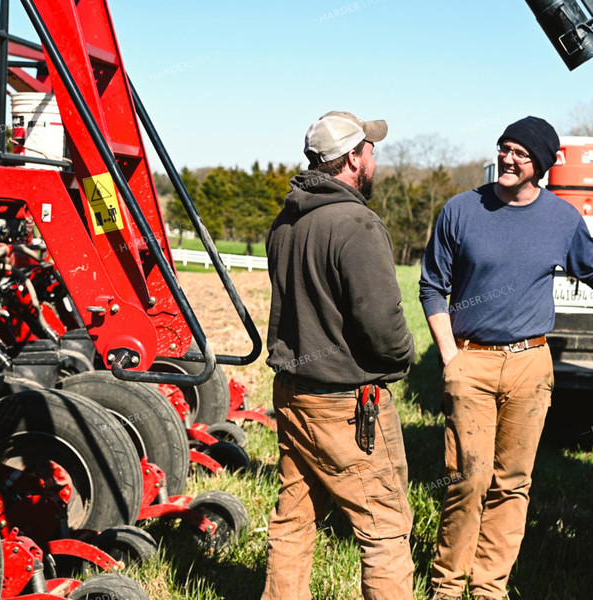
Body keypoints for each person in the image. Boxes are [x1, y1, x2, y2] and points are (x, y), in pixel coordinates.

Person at [419, 116, 593, 600]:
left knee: (512, 483)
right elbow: (432, 287)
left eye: (520, 153)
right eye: (504, 148)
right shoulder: (461, 210)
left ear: (540, 165)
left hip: (530, 365)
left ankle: (488, 588)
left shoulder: (561, 220)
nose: (507, 158)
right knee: (468, 478)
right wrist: (449, 358)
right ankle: (445, 586)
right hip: (471, 362)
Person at [261, 111, 416, 600]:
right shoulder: (356, 224)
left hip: (292, 394)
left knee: (294, 518)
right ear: (353, 159)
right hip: (348, 405)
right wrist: (402, 359)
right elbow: (382, 325)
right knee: (385, 530)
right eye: (371, 150)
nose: (375, 157)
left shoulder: (285, 221)